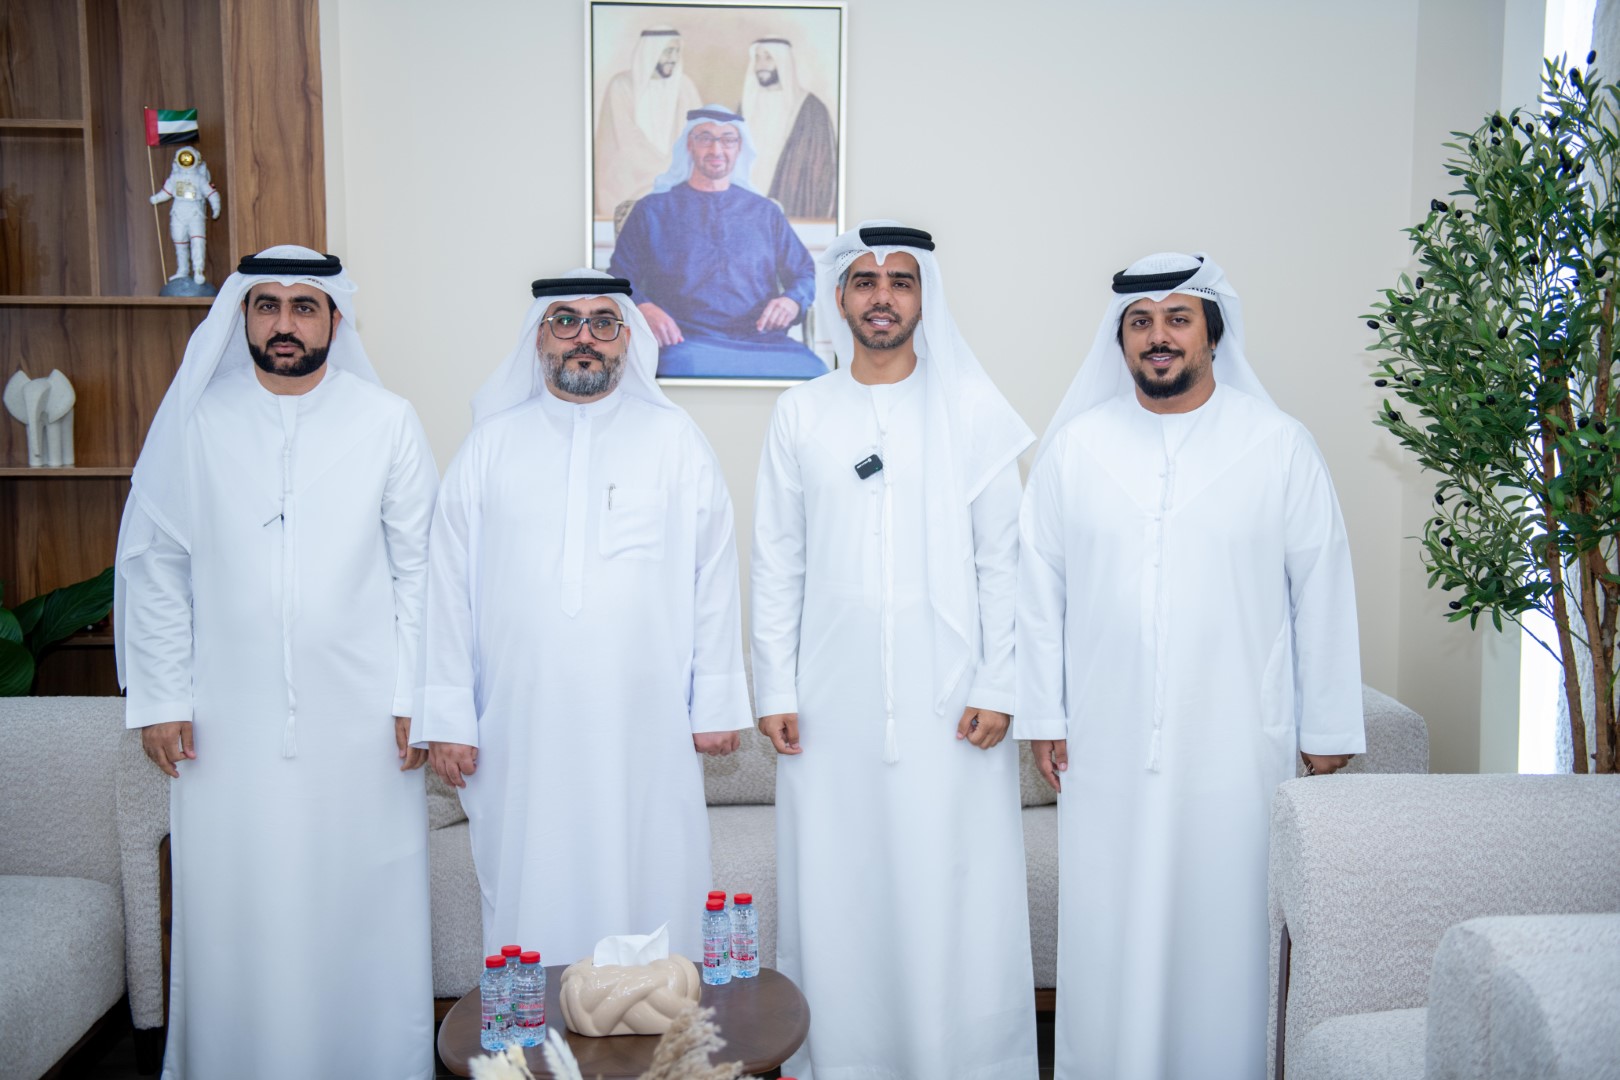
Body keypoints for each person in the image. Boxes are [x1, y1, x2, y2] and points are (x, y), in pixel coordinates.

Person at [1015, 252, 1365, 1078]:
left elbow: (1322, 586)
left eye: (1178, 318)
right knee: (1111, 929)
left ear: (1212, 333)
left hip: (1235, 748)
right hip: (1105, 743)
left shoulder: (1278, 445)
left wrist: (1326, 728)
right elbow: (1038, 592)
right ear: (1121, 341)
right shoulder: (1077, 450)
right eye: (1140, 322)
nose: (1159, 336)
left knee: (1225, 936)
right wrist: (1045, 714)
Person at [115, 246, 438, 1079]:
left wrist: (416, 695)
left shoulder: (387, 421)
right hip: (226, 725)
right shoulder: (197, 423)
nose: (285, 324)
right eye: (267, 306)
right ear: (244, 318)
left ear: (334, 318)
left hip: (365, 728)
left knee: (359, 906)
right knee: (237, 910)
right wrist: (161, 697)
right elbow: (156, 565)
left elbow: (421, 572)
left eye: (304, 306)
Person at [752, 222, 1039, 1078]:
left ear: (924, 298)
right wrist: (774, 688)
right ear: (840, 299)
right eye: (866, 281)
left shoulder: (974, 412)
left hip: (952, 702)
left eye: (901, 282)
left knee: (952, 892)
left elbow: (1003, 561)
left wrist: (1000, 683)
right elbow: (776, 560)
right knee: (838, 893)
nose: (883, 297)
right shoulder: (801, 412)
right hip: (828, 702)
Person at [415, 269, 751, 964]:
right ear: (538, 336)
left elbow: (714, 576)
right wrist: (447, 717)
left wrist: (716, 703)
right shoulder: (489, 446)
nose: (584, 338)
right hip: (520, 723)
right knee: (531, 885)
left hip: (647, 722)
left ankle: (656, 1025)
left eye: (603, 323)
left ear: (627, 338)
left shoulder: (675, 440)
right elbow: (445, 588)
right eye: (565, 321)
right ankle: (539, 1029)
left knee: (652, 875)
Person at [609, 106, 825, 379]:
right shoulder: (651, 210)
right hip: (683, 341)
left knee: (815, 372)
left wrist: (792, 300)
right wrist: (644, 307)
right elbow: (619, 277)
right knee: (677, 371)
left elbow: (804, 272)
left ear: (739, 148)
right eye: (705, 138)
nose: (716, 149)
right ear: (689, 144)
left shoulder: (765, 212)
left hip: (762, 341)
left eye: (728, 139)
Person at [593, 26, 701, 216]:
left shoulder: (685, 86)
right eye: (668, 51)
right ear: (651, 51)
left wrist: (676, 172)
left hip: (679, 185)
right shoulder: (622, 85)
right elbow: (625, 140)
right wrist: (664, 170)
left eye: (677, 51)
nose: (673, 58)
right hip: (632, 184)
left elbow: (698, 133)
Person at [738, 37, 837, 218]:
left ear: (783, 61)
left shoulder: (811, 109)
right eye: (757, 58)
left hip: (791, 202)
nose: (761, 65)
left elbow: (823, 169)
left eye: (768, 57)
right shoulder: (746, 105)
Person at [149, 146, 221, 288]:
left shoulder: (199, 179)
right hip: (178, 212)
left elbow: (211, 193)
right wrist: (156, 199)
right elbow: (166, 192)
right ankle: (183, 270)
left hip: (195, 212)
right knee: (179, 242)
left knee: (197, 242)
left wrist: (216, 207)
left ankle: (198, 270)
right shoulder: (175, 178)